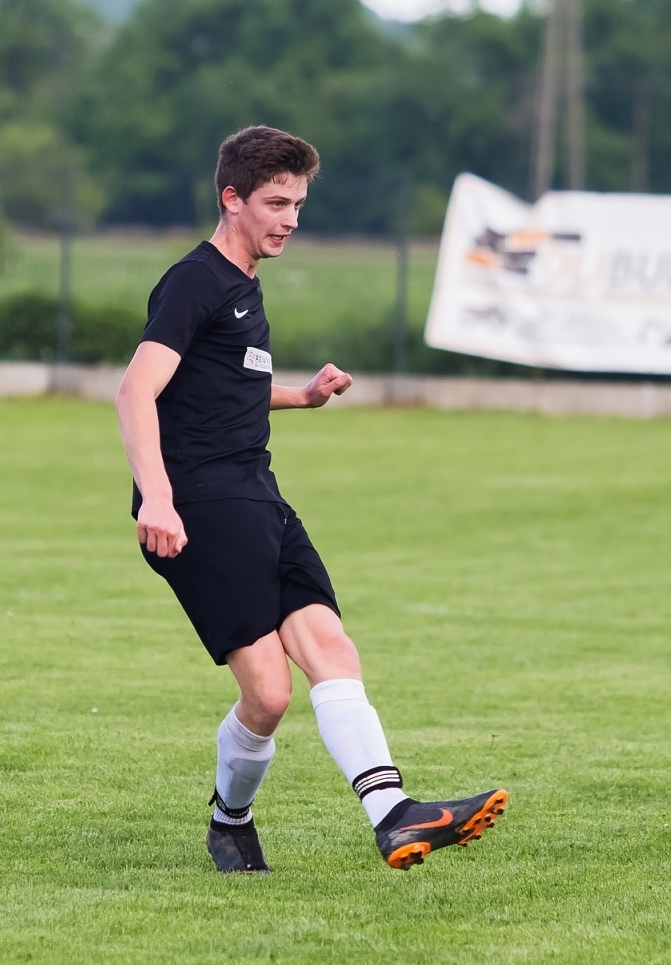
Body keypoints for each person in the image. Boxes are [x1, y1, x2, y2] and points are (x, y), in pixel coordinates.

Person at [114, 126, 506, 874]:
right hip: (199, 503)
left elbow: (221, 383)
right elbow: (137, 390)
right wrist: (156, 500)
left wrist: (300, 395)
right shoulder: (195, 280)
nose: (290, 218)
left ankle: (391, 814)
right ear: (232, 199)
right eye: (275, 202)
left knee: (326, 649)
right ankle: (232, 821)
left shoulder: (244, 285)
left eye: (297, 203)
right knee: (268, 694)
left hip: (257, 493)